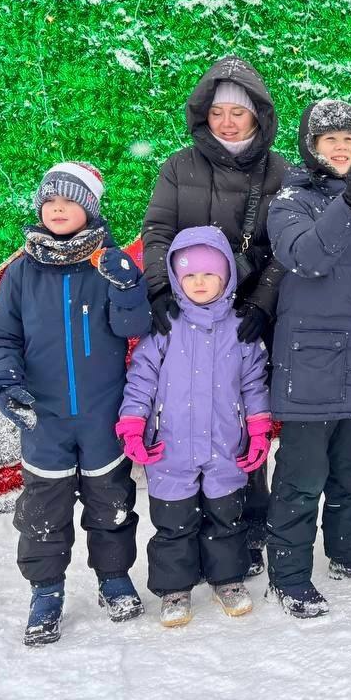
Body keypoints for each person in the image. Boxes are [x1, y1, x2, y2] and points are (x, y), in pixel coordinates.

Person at [0, 162, 152, 646]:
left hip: (103, 414)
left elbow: (133, 329)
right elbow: (3, 339)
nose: (58, 208)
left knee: (112, 505)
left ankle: (114, 578)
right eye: (51, 201)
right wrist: (6, 385)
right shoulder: (20, 273)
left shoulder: (108, 264)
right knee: (43, 511)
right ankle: (46, 590)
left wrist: (129, 289)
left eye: (70, 201)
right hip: (44, 418)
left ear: (90, 209)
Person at [142, 54, 290, 576]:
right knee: (185, 415)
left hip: (247, 316)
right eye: (219, 111)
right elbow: (158, 228)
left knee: (241, 416)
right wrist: (159, 289)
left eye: (239, 113)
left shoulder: (279, 172)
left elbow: (284, 247)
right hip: (186, 312)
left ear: (258, 117)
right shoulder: (179, 167)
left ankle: (245, 530)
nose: (228, 122)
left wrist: (262, 303)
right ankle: (184, 531)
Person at [264, 99, 351, 619]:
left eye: (349, 139)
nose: (340, 148)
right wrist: (350, 205)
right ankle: (290, 576)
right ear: (311, 147)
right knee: (301, 481)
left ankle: (348, 554)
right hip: (311, 364)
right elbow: (307, 257)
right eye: (329, 140)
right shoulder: (290, 202)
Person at [118, 227, 270, 626]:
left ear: (226, 278)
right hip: (172, 446)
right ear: (175, 279)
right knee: (173, 521)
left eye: (209, 275)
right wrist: (132, 426)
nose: (199, 283)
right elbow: (141, 379)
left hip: (225, 444)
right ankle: (175, 587)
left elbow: (254, 383)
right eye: (189, 276)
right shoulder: (164, 328)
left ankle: (228, 579)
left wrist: (258, 430)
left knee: (226, 517)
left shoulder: (241, 330)